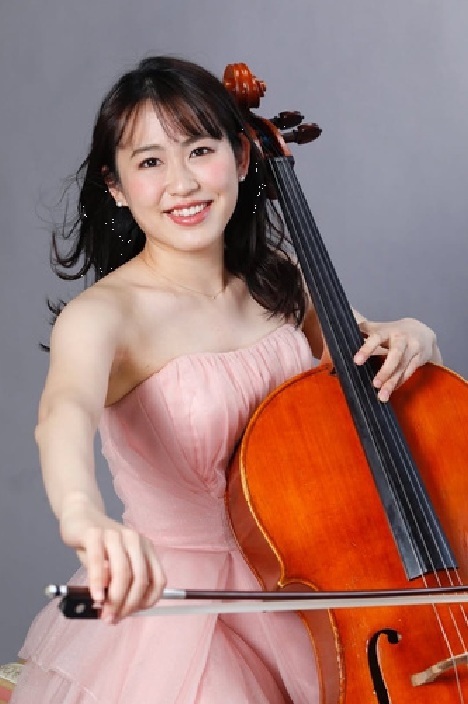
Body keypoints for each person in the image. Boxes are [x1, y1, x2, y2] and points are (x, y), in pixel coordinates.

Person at [11, 55, 442, 704]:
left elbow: (365, 355)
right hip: (184, 617)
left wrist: (411, 334)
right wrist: (83, 515)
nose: (182, 183)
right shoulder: (103, 317)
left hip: (312, 588)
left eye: (200, 150)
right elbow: (63, 413)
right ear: (116, 186)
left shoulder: (280, 279)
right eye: (150, 161)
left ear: (241, 157)